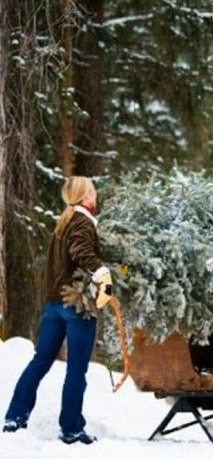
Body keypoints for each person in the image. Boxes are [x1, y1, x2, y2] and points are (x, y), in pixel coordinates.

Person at [3, 176, 113, 445]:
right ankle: (72, 428)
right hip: (76, 305)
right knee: (77, 369)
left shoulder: (63, 222)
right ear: (86, 195)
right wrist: (102, 273)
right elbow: (81, 249)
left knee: (40, 361)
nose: (95, 195)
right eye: (93, 191)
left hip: (53, 305)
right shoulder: (82, 222)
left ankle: (15, 417)